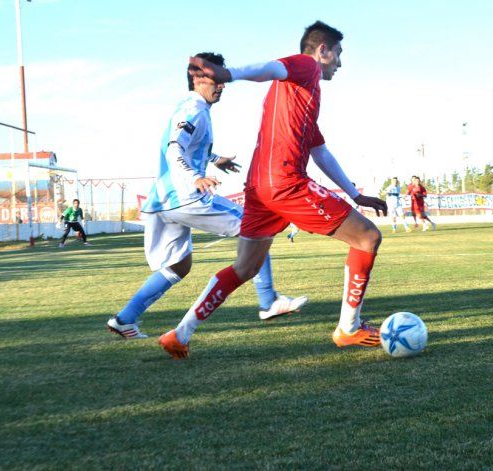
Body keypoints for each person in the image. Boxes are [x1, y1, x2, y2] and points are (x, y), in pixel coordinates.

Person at [157, 21, 388, 359]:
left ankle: (180, 334)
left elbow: (320, 151)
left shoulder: (302, 98)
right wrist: (228, 73)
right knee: (367, 238)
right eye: (338, 55)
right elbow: (271, 67)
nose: (339, 63)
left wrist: (354, 193)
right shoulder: (306, 66)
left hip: (259, 188)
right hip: (285, 183)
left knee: (245, 268)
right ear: (322, 50)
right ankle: (349, 328)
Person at [106, 52, 307, 340]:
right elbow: (174, 149)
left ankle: (124, 319)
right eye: (216, 79)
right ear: (197, 78)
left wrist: (214, 159)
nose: (223, 85)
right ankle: (268, 301)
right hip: (184, 197)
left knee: (178, 266)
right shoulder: (194, 109)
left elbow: (186, 145)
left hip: (162, 203)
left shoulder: (192, 109)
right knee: (257, 226)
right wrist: (196, 177)